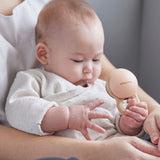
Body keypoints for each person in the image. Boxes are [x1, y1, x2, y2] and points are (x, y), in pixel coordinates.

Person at [1, 0, 160, 160]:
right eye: (78, 61)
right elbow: (17, 108)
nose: (90, 69)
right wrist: (65, 116)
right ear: (44, 54)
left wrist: (129, 122)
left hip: (119, 145)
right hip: (67, 152)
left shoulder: (99, 86)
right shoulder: (37, 80)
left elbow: (112, 119)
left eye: (96, 59)